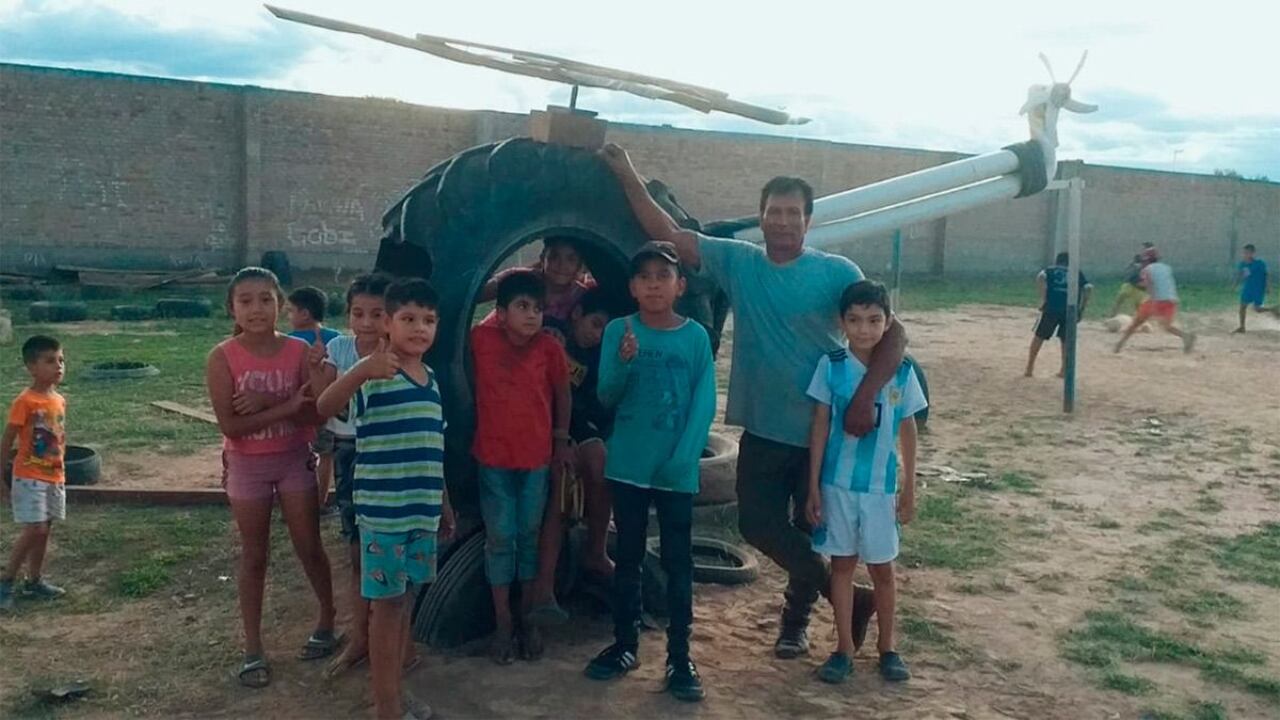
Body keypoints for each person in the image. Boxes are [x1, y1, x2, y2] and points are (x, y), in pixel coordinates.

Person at [599, 143, 902, 658]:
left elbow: (893, 336)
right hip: (763, 426)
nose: (783, 222)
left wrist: (864, 398)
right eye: (774, 212)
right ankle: (846, 594)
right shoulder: (739, 263)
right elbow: (667, 236)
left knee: (812, 527)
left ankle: (795, 623)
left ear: (808, 220)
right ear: (761, 218)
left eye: (793, 213)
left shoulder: (836, 272)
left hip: (822, 430)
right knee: (758, 525)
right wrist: (626, 170)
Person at [583, 241, 717, 703]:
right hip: (629, 467)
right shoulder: (620, 331)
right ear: (632, 287)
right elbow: (606, 395)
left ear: (679, 285)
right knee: (630, 559)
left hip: (676, 471)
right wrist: (621, 363)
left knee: (679, 564)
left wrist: (686, 456)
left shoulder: (695, 337)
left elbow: (704, 402)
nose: (654, 283)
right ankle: (625, 644)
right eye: (645, 277)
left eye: (664, 275)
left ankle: (680, 657)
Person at [317, 278, 451, 720]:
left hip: (421, 511)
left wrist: (444, 505)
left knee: (404, 601)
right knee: (388, 608)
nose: (419, 328)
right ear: (389, 325)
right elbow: (325, 406)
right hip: (385, 516)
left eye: (428, 320)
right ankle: (387, 707)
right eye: (408, 319)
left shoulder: (430, 380)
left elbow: (434, 446)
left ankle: (393, 690)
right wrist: (358, 372)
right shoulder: (376, 375)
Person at [205, 267, 337, 689]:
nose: (257, 308)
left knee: (309, 545)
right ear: (232, 308)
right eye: (246, 300)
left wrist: (270, 400)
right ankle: (253, 647)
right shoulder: (222, 356)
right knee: (254, 555)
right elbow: (232, 426)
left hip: (293, 458)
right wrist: (282, 405)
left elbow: (315, 413)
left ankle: (328, 621)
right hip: (247, 465)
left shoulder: (299, 352)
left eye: (266, 299)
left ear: (280, 305)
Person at [804, 281, 927, 684]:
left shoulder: (903, 371)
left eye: (875, 320)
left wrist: (908, 487)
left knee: (883, 570)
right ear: (842, 323)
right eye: (855, 320)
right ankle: (843, 648)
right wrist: (813, 485)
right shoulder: (832, 366)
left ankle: (888, 647)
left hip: (880, 490)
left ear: (888, 322)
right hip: (837, 486)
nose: (864, 329)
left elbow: (908, 427)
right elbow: (820, 424)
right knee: (841, 566)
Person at [303, 273, 416, 680]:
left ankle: (399, 644)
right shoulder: (338, 347)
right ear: (347, 314)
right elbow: (324, 401)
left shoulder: (398, 353)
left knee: (396, 559)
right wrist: (317, 369)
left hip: (385, 454)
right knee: (356, 551)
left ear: (390, 318)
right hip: (350, 453)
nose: (366, 322)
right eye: (357, 313)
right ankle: (361, 639)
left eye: (376, 314)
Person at [470, 271, 573, 664]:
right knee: (500, 539)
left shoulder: (549, 349)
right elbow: (459, 303)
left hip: (536, 462)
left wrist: (561, 439)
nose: (532, 316)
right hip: (493, 460)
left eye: (538, 308)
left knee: (529, 537)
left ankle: (527, 619)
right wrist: (506, 279)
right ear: (500, 313)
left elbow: (563, 393)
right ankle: (502, 624)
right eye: (523, 307)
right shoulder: (481, 340)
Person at [528, 286, 623, 621]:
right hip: (539, 427)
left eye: (605, 330)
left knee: (597, 461)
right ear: (577, 314)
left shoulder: (603, 357)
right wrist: (560, 438)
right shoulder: (551, 334)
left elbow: (601, 407)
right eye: (595, 324)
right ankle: (542, 588)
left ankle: (595, 552)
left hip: (579, 431)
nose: (598, 335)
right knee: (560, 484)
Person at [0, 335, 68, 612]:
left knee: (45, 529)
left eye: (61, 360)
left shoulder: (59, 400)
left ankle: (34, 580)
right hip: (29, 476)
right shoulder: (24, 402)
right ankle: (6, 581)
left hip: (54, 476)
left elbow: (58, 438)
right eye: (50, 361)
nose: (59, 366)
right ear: (31, 366)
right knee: (35, 528)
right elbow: (7, 440)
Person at [286, 286, 343, 510]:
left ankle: (296, 503)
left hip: (299, 408)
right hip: (329, 406)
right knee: (325, 455)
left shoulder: (289, 341)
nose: (288, 316)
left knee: (298, 454)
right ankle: (319, 503)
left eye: (291, 311)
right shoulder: (337, 338)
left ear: (305, 314)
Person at [479, 236, 595, 324]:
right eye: (554, 256)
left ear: (580, 265)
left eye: (571, 259)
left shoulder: (582, 297)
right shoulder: (520, 278)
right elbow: (476, 294)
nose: (561, 265)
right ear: (543, 258)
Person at [1114, 248, 1196, 354]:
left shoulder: (1147, 269)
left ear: (1147, 260)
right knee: (1167, 326)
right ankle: (1186, 336)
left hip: (1156, 300)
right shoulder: (1167, 268)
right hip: (1171, 300)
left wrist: (1136, 284)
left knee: (1136, 322)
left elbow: (1149, 285)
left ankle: (1119, 345)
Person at [1025, 252, 1093, 378]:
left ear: (1057, 261)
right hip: (1070, 309)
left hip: (1051, 307)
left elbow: (1040, 277)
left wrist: (1043, 298)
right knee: (1066, 340)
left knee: (1039, 336)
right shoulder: (1076, 272)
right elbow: (1088, 288)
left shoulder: (1050, 270)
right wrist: (1082, 308)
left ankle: (1030, 367)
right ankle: (1063, 369)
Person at [1234, 243, 1271, 333]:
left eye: (1248, 253)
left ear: (1253, 253)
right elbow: (1240, 274)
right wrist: (1236, 284)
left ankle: (1272, 310)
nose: (1246, 255)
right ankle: (1242, 327)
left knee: (1257, 309)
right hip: (1248, 288)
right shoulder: (1242, 264)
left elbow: (1266, 275)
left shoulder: (1259, 263)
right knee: (1242, 307)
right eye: (1244, 253)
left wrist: (1267, 287)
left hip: (1258, 289)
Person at [1108, 250, 1149, 318]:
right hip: (1134, 287)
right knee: (1123, 300)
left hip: (1134, 287)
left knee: (1121, 300)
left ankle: (1112, 315)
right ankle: (1140, 319)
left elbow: (1128, 275)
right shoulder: (1138, 266)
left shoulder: (1136, 266)